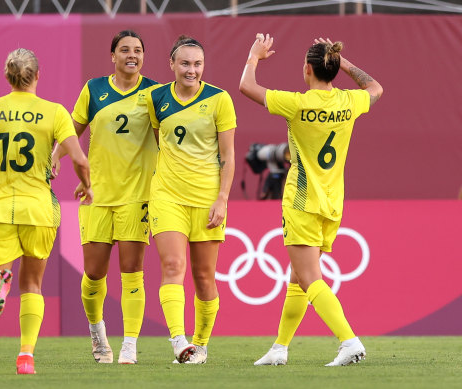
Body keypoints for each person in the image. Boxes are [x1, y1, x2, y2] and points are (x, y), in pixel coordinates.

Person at [239, 34, 383, 366]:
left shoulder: (298, 104)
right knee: (297, 278)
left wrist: (254, 55)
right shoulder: (350, 102)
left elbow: (246, 86)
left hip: (302, 201)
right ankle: (279, 348)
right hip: (332, 204)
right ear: (333, 68)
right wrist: (344, 63)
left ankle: (349, 341)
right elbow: (376, 87)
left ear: (307, 69)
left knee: (309, 278)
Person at [0, 48, 92, 374]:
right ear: (38, 75)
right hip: (38, 209)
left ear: (7, 76)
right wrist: (86, 185)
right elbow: (79, 159)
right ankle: (26, 356)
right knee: (32, 285)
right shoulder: (54, 112)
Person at [52, 30, 158, 364]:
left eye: (138, 50)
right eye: (125, 50)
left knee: (132, 271)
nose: (132, 55)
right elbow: (72, 131)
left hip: (137, 195)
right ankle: (98, 336)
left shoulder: (156, 93)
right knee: (95, 274)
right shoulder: (94, 89)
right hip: (96, 194)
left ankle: (129, 344)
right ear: (112, 56)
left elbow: (167, 137)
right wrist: (55, 157)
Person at [146, 35, 237, 364]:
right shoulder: (156, 98)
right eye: (185, 63)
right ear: (171, 64)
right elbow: (160, 142)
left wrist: (222, 198)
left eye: (197, 64)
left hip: (207, 199)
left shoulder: (219, 99)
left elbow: (228, 155)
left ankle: (200, 345)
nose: (191, 70)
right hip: (167, 196)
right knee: (172, 266)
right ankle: (178, 340)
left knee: (203, 277)